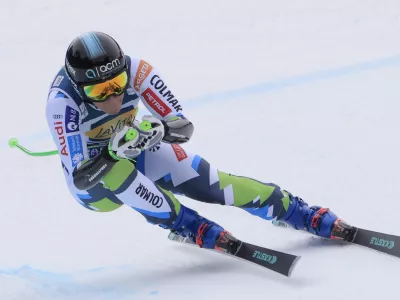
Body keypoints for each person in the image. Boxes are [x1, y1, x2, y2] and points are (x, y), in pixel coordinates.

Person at [46, 31, 355, 253]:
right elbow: (82, 178)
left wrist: (160, 129)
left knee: (210, 183)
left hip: (136, 151)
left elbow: (183, 127)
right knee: (116, 172)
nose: (112, 98)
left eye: (117, 85)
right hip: (97, 191)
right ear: (78, 87)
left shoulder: (138, 70)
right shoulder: (62, 103)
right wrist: (112, 153)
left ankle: (294, 211)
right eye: (98, 93)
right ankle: (186, 224)